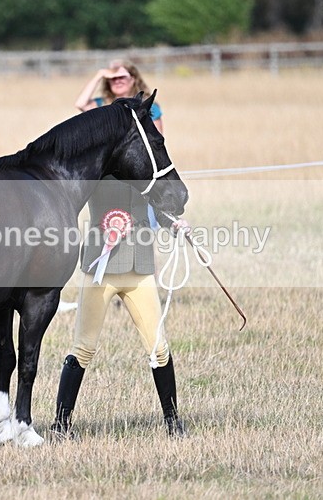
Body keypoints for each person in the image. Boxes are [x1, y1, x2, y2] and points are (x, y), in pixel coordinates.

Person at [51, 61, 187, 439]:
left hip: (139, 268)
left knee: (158, 348)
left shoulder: (140, 170)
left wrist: (175, 220)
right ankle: (61, 426)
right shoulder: (94, 171)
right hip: (101, 269)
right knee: (83, 348)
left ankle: (173, 423)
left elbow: (158, 196)